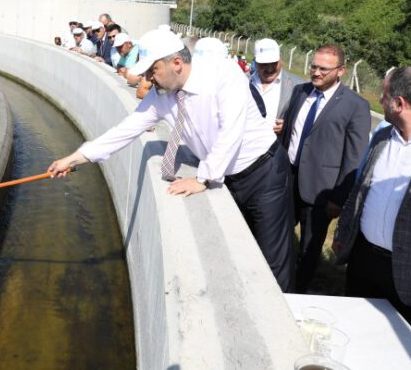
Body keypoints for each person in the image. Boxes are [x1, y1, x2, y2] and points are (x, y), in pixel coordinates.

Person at [48, 28, 295, 292]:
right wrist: (75, 158)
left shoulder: (224, 74)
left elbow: (230, 131)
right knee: (240, 251)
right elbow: (125, 130)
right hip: (230, 177)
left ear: (176, 63)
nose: (146, 78)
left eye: (152, 70)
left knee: (273, 258)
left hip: (264, 173)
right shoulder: (161, 95)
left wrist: (204, 177)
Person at [333, 64, 411, 340]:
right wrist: (344, 232)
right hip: (363, 261)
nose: (379, 100)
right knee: (354, 335)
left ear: (399, 103)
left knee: (397, 348)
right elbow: (360, 189)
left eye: (384, 95)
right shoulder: (382, 137)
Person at [279, 44, 371, 293]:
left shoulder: (356, 106)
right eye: (314, 66)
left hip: (321, 189)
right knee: (280, 235)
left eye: (324, 69)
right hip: (288, 179)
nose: (316, 72)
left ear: (341, 71)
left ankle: (299, 289)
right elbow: (291, 133)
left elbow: (354, 157)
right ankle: (278, 277)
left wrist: (338, 198)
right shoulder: (300, 91)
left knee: (309, 246)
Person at [250, 39, 295, 134]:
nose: (269, 68)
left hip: (277, 145)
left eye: (274, 62)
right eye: (264, 64)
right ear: (255, 62)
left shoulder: (298, 85)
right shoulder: (243, 81)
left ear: (280, 59)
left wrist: (289, 125)